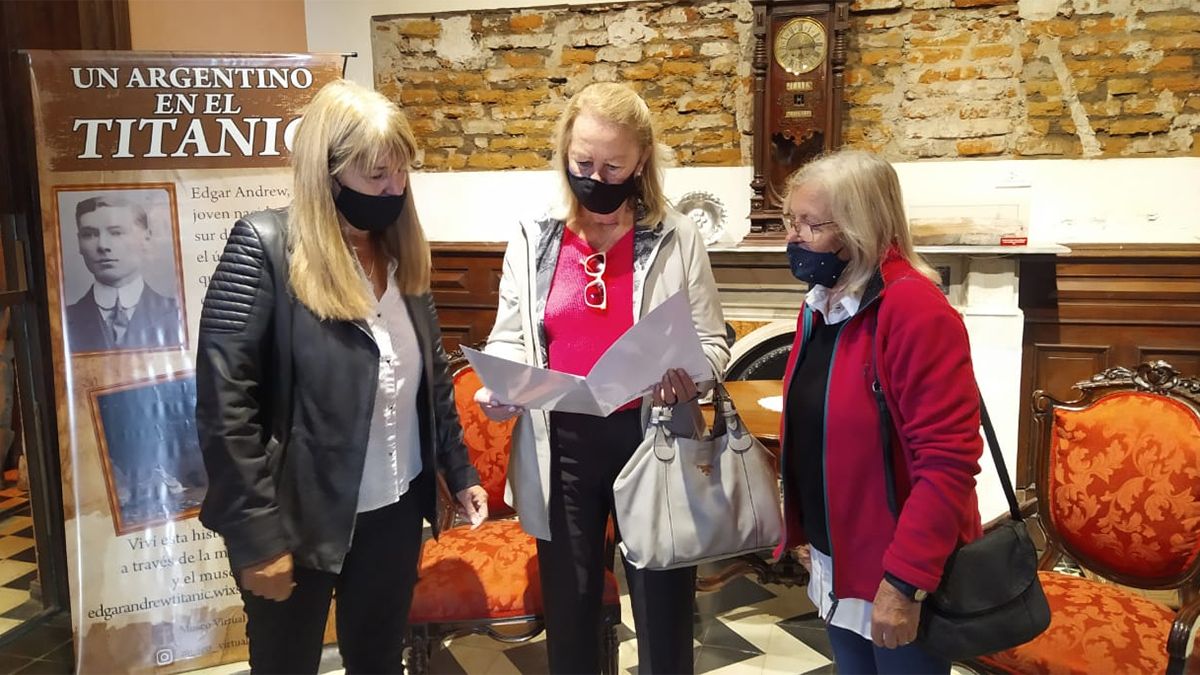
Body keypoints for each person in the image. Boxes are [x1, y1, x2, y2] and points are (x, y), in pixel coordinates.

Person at [195, 79, 487, 674]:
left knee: (378, 661)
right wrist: (256, 538)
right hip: (297, 518)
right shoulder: (264, 247)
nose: (394, 189)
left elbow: (431, 383)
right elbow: (225, 409)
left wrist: (459, 473)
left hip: (394, 510)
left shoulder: (402, 258)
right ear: (327, 173)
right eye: (377, 174)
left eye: (401, 172)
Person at [475, 82, 730, 674]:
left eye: (614, 166)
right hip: (561, 444)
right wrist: (501, 385)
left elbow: (714, 344)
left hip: (654, 440)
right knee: (571, 611)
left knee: (663, 610)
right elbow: (509, 336)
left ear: (642, 160)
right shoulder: (534, 235)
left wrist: (691, 378)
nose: (597, 178)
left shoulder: (676, 235)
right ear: (564, 152)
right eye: (583, 162)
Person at [776, 149, 985, 674]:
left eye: (811, 224)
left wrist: (905, 581)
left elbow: (948, 462)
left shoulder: (915, 310)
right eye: (791, 221)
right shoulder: (822, 304)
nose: (793, 238)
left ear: (859, 228)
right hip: (841, 555)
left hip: (899, 569)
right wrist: (806, 533)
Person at [66, 195, 183, 352]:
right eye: (89, 234)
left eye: (116, 233)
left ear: (146, 239)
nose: (102, 245)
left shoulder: (178, 314)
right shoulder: (63, 320)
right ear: (79, 243)